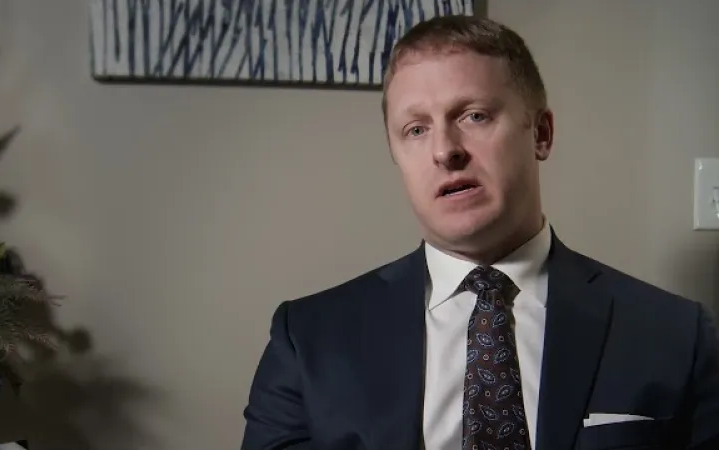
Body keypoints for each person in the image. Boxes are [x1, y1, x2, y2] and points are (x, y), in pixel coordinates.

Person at [240, 15, 719, 450]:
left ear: (541, 134)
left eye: (474, 116)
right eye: (415, 129)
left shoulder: (678, 334)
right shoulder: (307, 338)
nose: (445, 150)